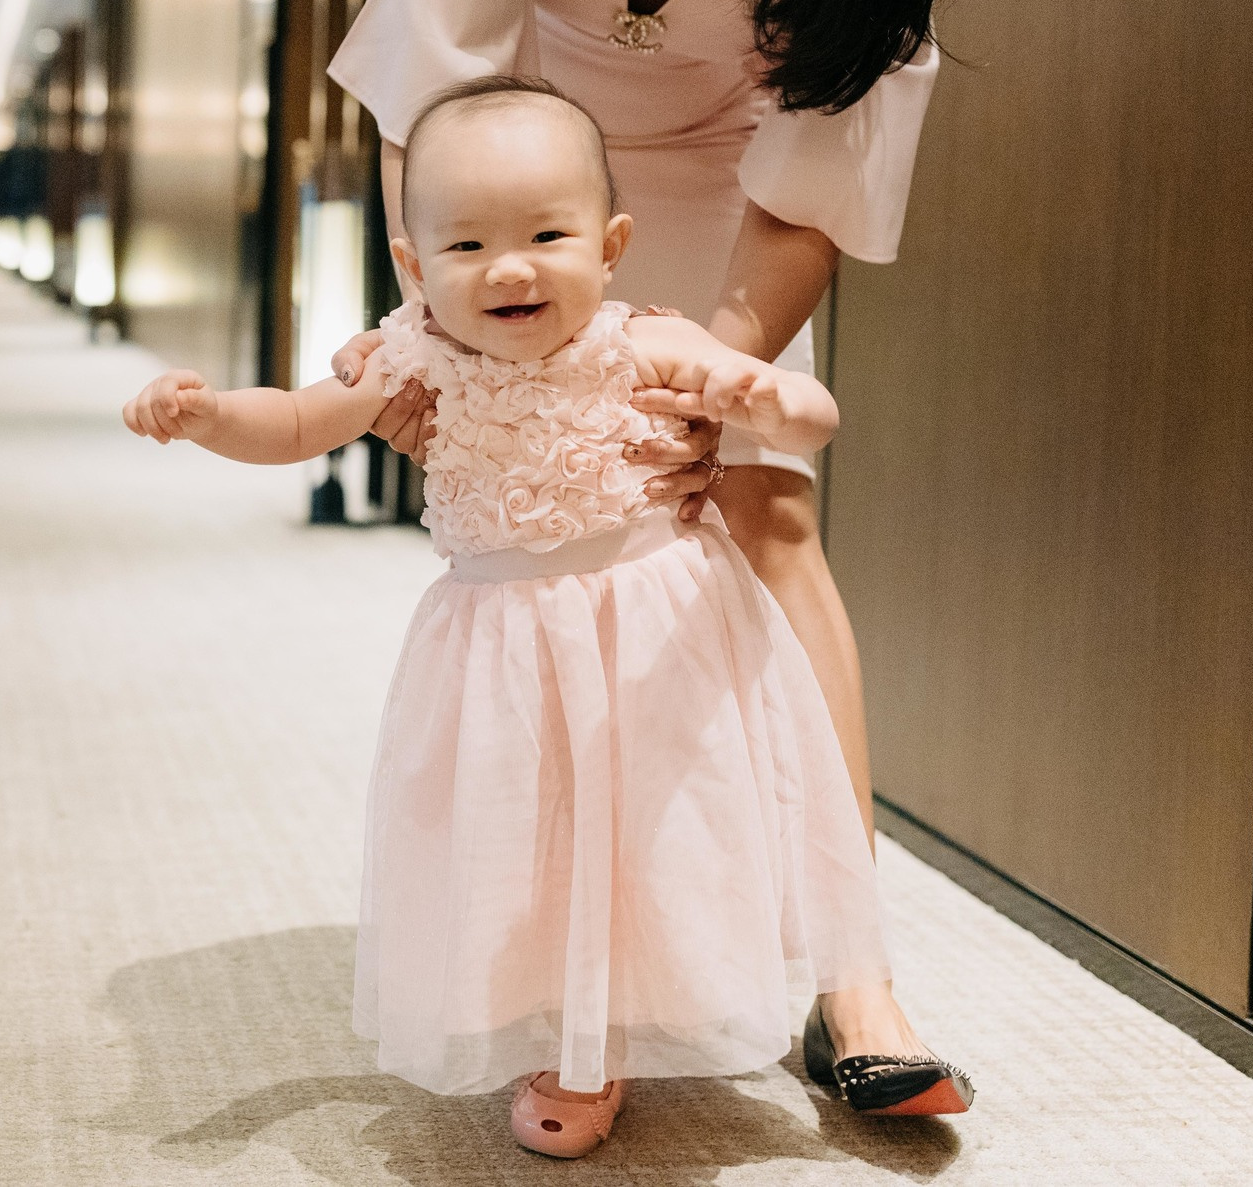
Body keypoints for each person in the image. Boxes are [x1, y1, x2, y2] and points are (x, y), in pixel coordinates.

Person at [325, 0, 1019, 1070]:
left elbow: (810, 180)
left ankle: (853, 978)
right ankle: (535, 948)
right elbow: (435, 82)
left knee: (760, 509)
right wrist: (447, 318)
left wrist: (709, 371)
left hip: (717, 192)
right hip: (505, 160)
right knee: (544, 559)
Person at [125, 79, 974, 1157]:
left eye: (545, 234)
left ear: (611, 243)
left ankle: (656, 1008)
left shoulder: (642, 344)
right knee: (530, 833)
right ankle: (567, 1045)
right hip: (502, 657)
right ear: (415, 266)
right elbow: (295, 423)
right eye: (468, 243)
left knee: (659, 828)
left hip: (655, 643)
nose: (510, 265)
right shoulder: (411, 358)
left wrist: (770, 401)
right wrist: (206, 418)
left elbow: (792, 404)